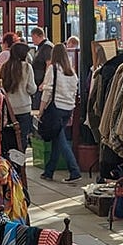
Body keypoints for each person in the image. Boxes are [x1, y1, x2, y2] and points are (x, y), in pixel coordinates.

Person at [38, 43, 81, 183]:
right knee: (58, 140)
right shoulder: (72, 72)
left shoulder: (53, 69)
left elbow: (48, 91)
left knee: (61, 142)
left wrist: (41, 110)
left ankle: (74, 170)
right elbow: (74, 91)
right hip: (68, 109)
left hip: (55, 109)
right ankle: (49, 171)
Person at [1, 41, 37, 148]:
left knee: (8, 138)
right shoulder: (27, 67)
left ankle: (10, 162)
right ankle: (20, 162)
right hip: (24, 108)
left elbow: (0, 87)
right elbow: (32, 89)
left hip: (8, 109)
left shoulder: (5, 67)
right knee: (22, 140)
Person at [30, 26, 54, 107]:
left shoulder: (47, 47)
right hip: (38, 82)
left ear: (38, 36)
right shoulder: (41, 47)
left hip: (41, 83)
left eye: (33, 37)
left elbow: (49, 64)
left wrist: (44, 82)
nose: (32, 40)